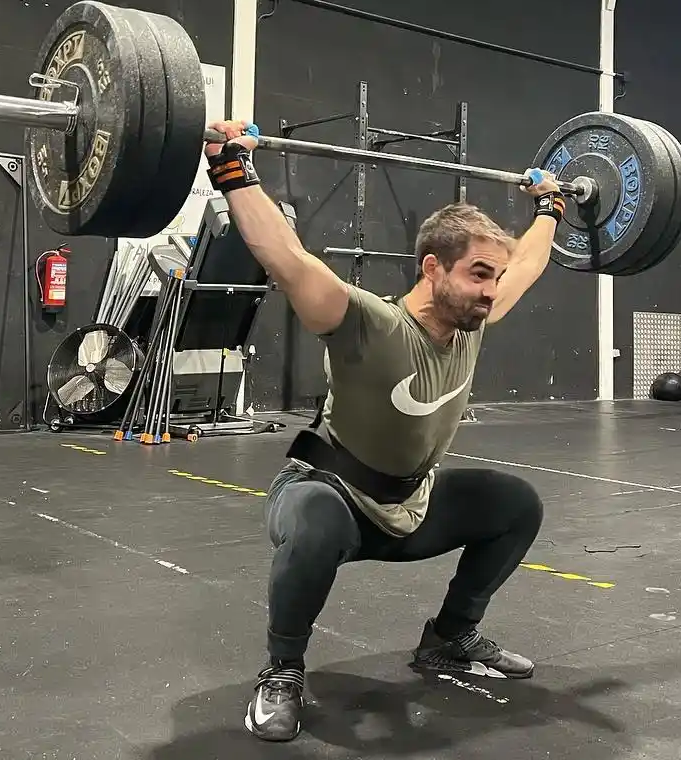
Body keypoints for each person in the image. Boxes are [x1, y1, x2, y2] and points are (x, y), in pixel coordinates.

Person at [204, 119, 566, 743]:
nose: (491, 291)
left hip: (409, 503)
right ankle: (283, 672)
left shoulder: (473, 319)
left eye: (494, 278)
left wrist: (552, 207)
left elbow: (528, 266)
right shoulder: (368, 324)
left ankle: (449, 640)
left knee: (516, 505)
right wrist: (232, 168)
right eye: (480, 274)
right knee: (315, 518)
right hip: (331, 494)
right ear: (433, 267)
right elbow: (286, 258)